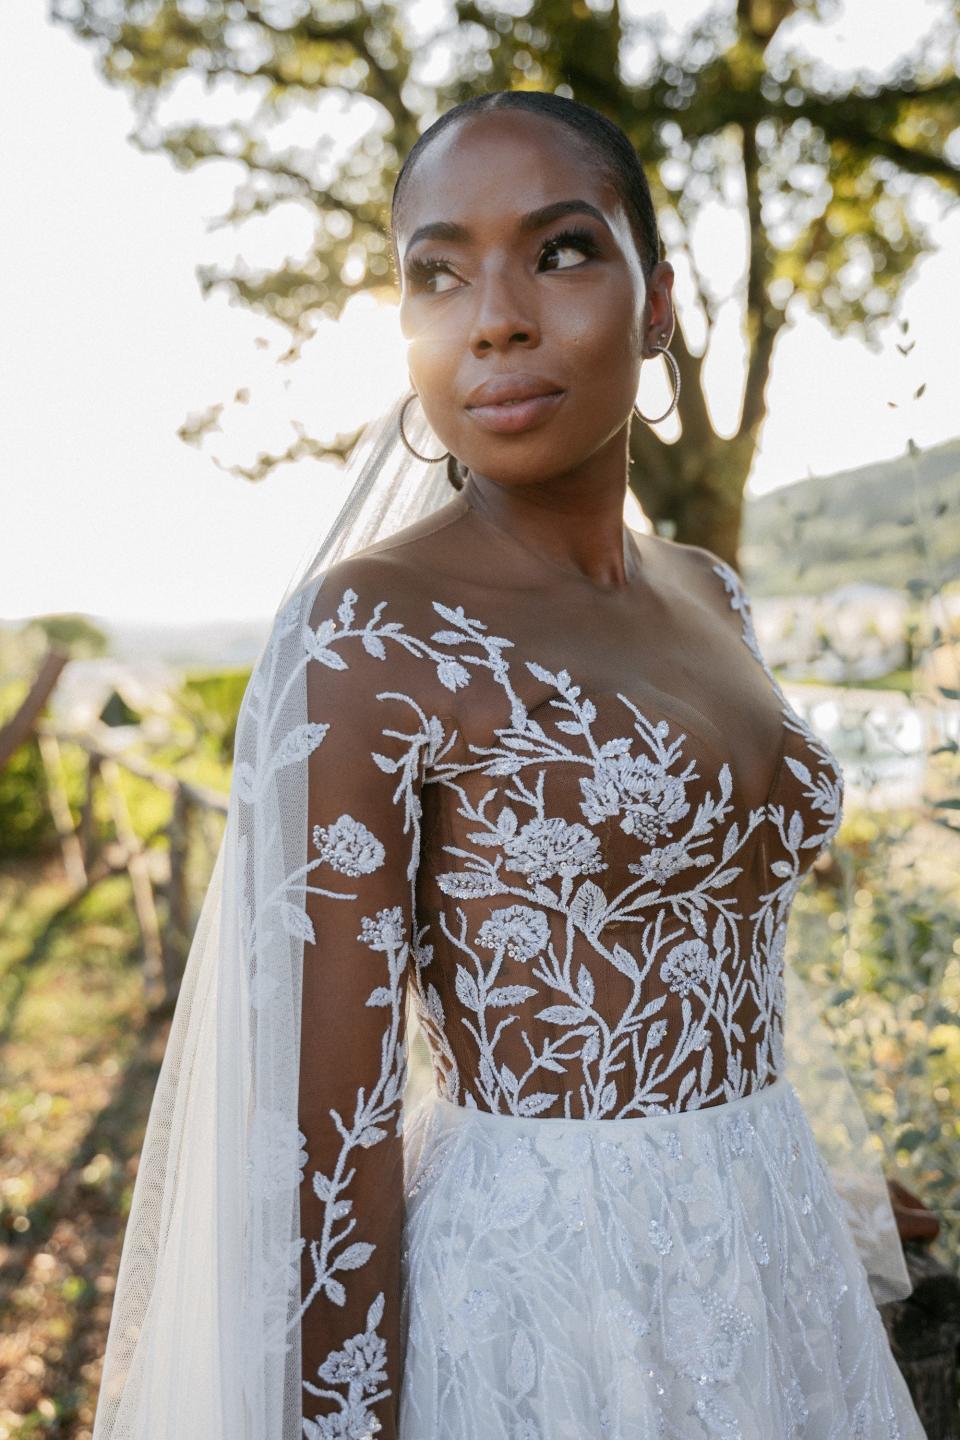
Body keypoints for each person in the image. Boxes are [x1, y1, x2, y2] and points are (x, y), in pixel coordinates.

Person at [91, 92, 926, 1440]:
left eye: (560, 250)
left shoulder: (713, 591)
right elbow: (327, 1133)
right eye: (439, 271)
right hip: (549, 1308)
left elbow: (711, 952)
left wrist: (815, 1175)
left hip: (776, 1260)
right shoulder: (366, 636)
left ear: (658, 305)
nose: (495, 317)